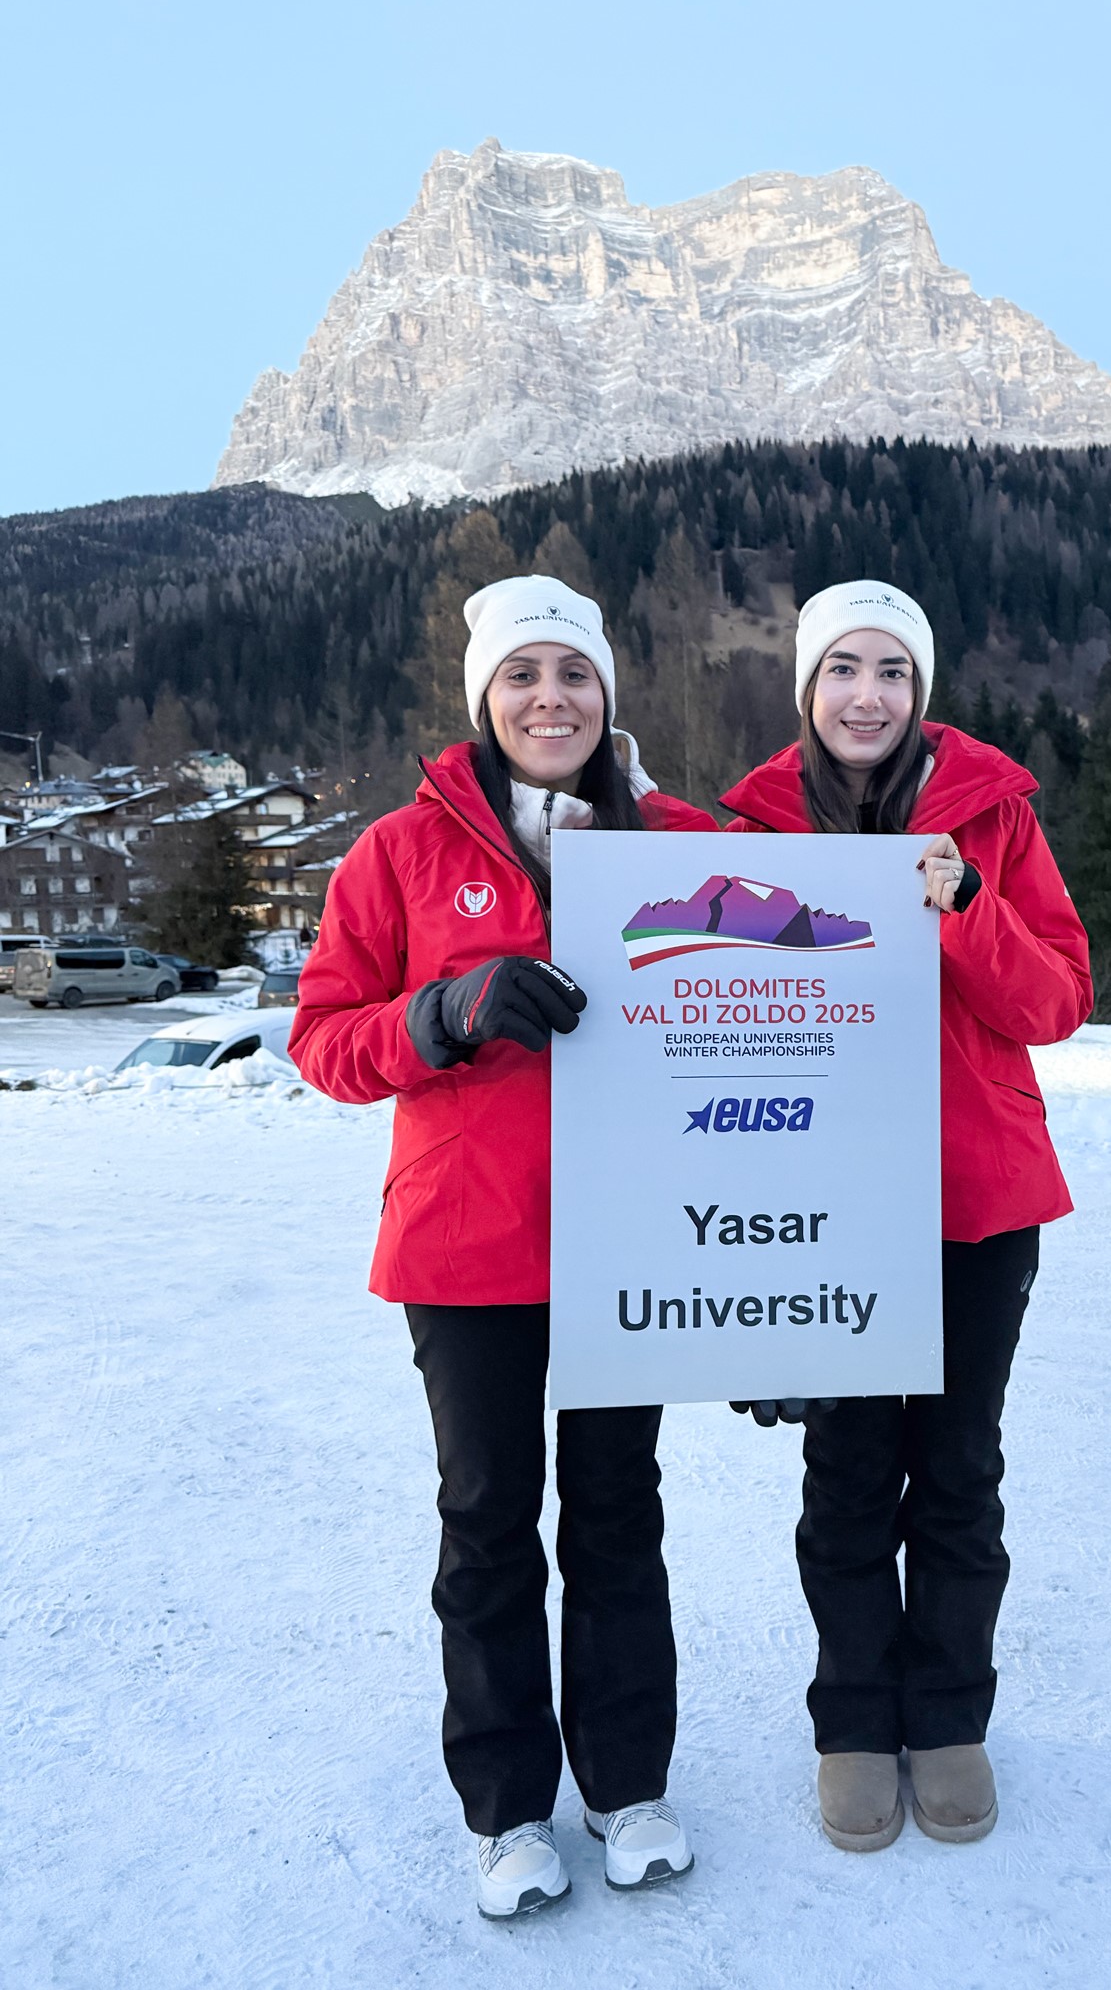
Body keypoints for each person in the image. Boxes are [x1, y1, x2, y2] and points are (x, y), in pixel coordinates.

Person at [289, 575, 716, 1919]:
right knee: (485, 1526)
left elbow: (825, 942)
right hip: (465, 1250)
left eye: (574, 675)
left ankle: (628, 1786)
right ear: (485, 697)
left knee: (617, 1517)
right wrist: (445, 1011)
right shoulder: (399, 855)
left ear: (607, 695)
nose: (551, 699)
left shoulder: (678, 838)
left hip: (629, 1240)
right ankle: (509, 1812)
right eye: (524, 676)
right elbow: (323, 1041)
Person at [719, 579, 1092, 1853]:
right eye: (841, 668)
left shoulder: (994, 817)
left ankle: (948, 1716)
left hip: (975, 1200)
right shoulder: (754, 833)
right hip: (824, 1209)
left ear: (919, 691)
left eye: (890, 669)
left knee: (957, 1472)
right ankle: (851, 1723)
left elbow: (1056, 1001)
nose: (865, 693)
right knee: (845, 1472)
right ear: (807, 687)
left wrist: (967, 909)